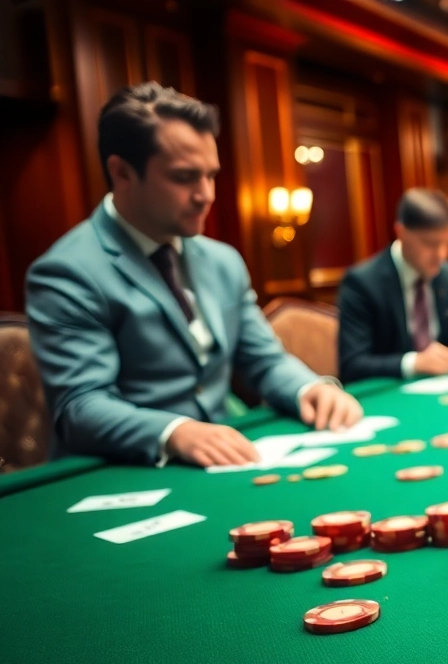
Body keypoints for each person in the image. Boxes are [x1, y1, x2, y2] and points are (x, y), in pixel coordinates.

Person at [25, 82, 363, 468]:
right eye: (185, 177)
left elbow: (264, 361)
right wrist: (175, 432)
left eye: (211, 175)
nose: (207, 194)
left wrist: (308, 388)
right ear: (121, 172)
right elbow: (80, 405)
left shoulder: (223, 260)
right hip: (125, 470)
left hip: (226, 460)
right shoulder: (67, 271)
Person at [337, 189, 448, 383]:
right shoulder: (362, 283)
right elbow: (351, 365)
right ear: (401, 232)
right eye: (431, 244)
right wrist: (414, 363)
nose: (442, 255)